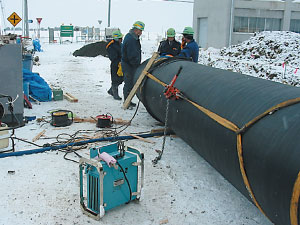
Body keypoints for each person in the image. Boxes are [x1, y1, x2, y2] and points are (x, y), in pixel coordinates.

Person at [121, 21, 145, 107]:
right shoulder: (131, 39)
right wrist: (136, 65)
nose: (141, 33)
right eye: (140, 31)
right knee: (129, 83)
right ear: (135, 30)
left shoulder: (132, 37)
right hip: (129, 65)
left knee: (130, 83)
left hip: (129, 64)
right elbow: (131, 54)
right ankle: (127, 102)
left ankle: (128, 100)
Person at [106, 30, 124, 100]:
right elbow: (113, 56)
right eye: (120, 38)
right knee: (115, 79)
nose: (121, 39)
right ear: (117, 38)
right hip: (115, 64)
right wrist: (118, 60)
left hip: (120, 64)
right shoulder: (111, 45)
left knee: (121, 79)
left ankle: (111, 90)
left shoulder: (119, 44)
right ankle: (115, 93)